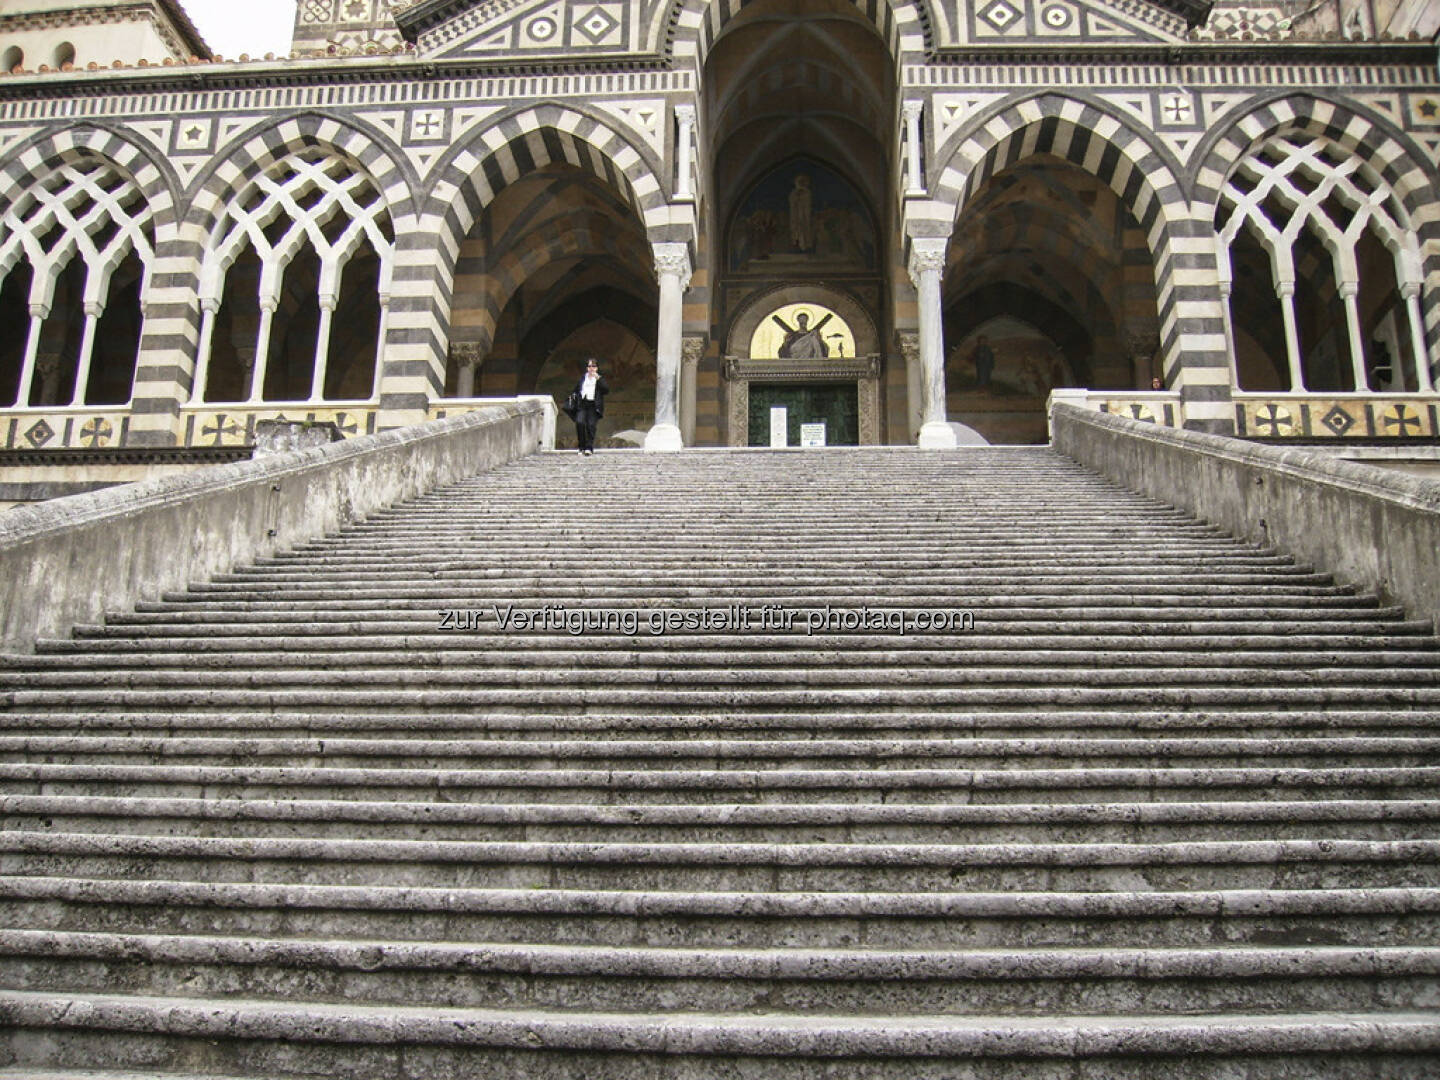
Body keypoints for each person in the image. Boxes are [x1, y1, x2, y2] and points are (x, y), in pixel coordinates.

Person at [571, 358, 608, 456]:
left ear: (597, 368)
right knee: (579, 422)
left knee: (591, 425)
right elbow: (576, 389)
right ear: (587, 368)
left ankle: (589, 447)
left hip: (593, 405)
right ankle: (581, 447)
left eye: (593, 366)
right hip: (582, 404)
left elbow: (606, 390)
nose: (591, 368)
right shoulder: (583, 378)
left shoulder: (599, 379)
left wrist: (598, 378)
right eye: (589, 366)